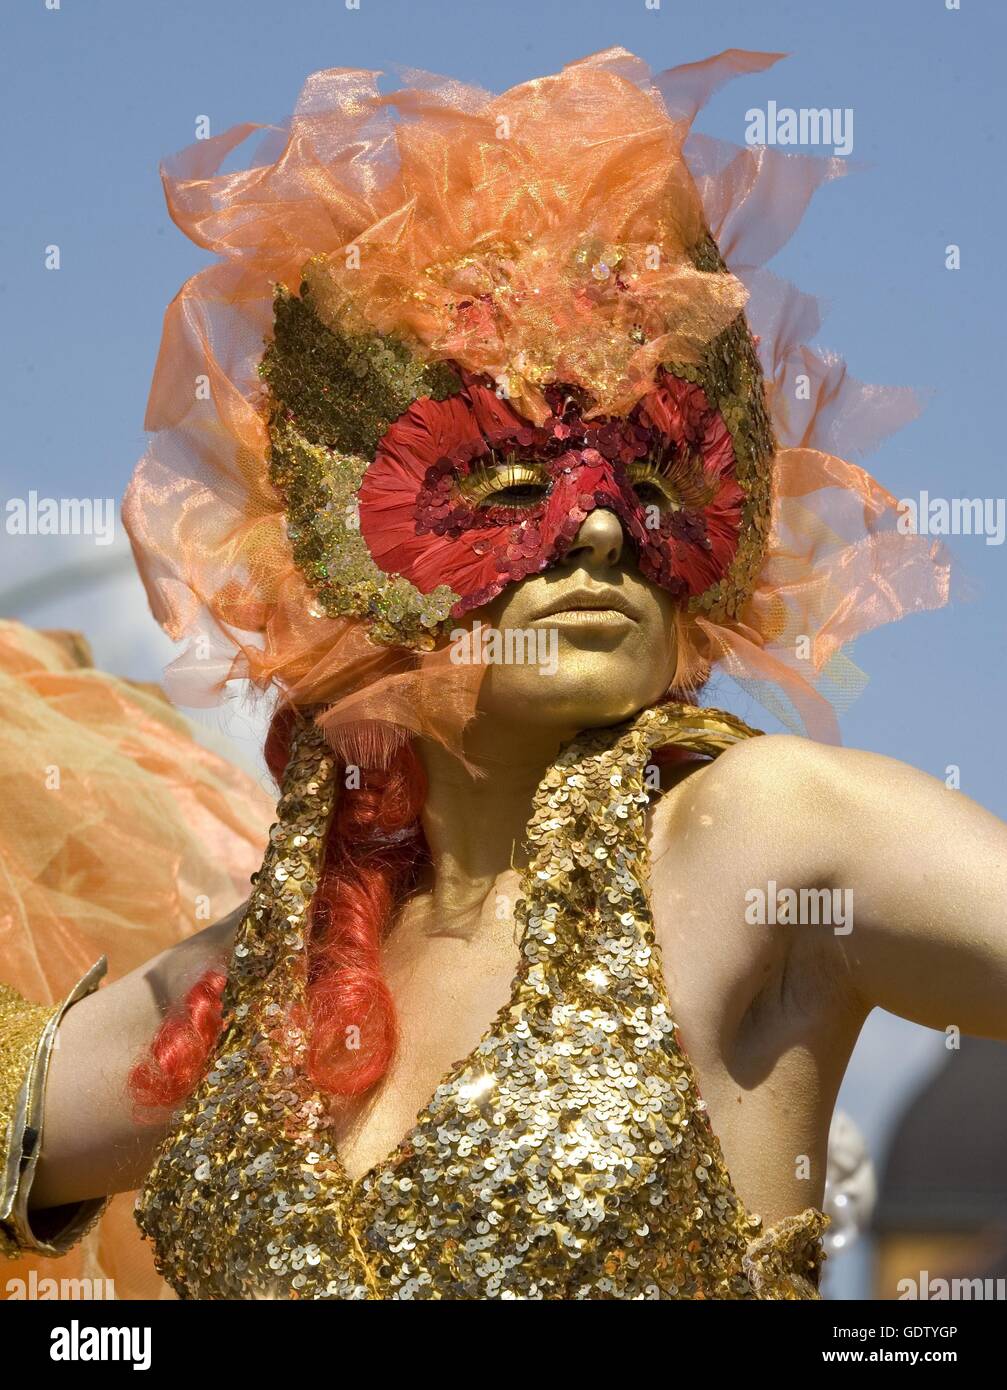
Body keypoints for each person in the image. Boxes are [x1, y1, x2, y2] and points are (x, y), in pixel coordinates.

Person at [2, 48, 1004, 1301]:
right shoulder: (264, 988)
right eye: (507, 484)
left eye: (649, 486)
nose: (596, 530)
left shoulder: (756, 843)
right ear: (341, 548)